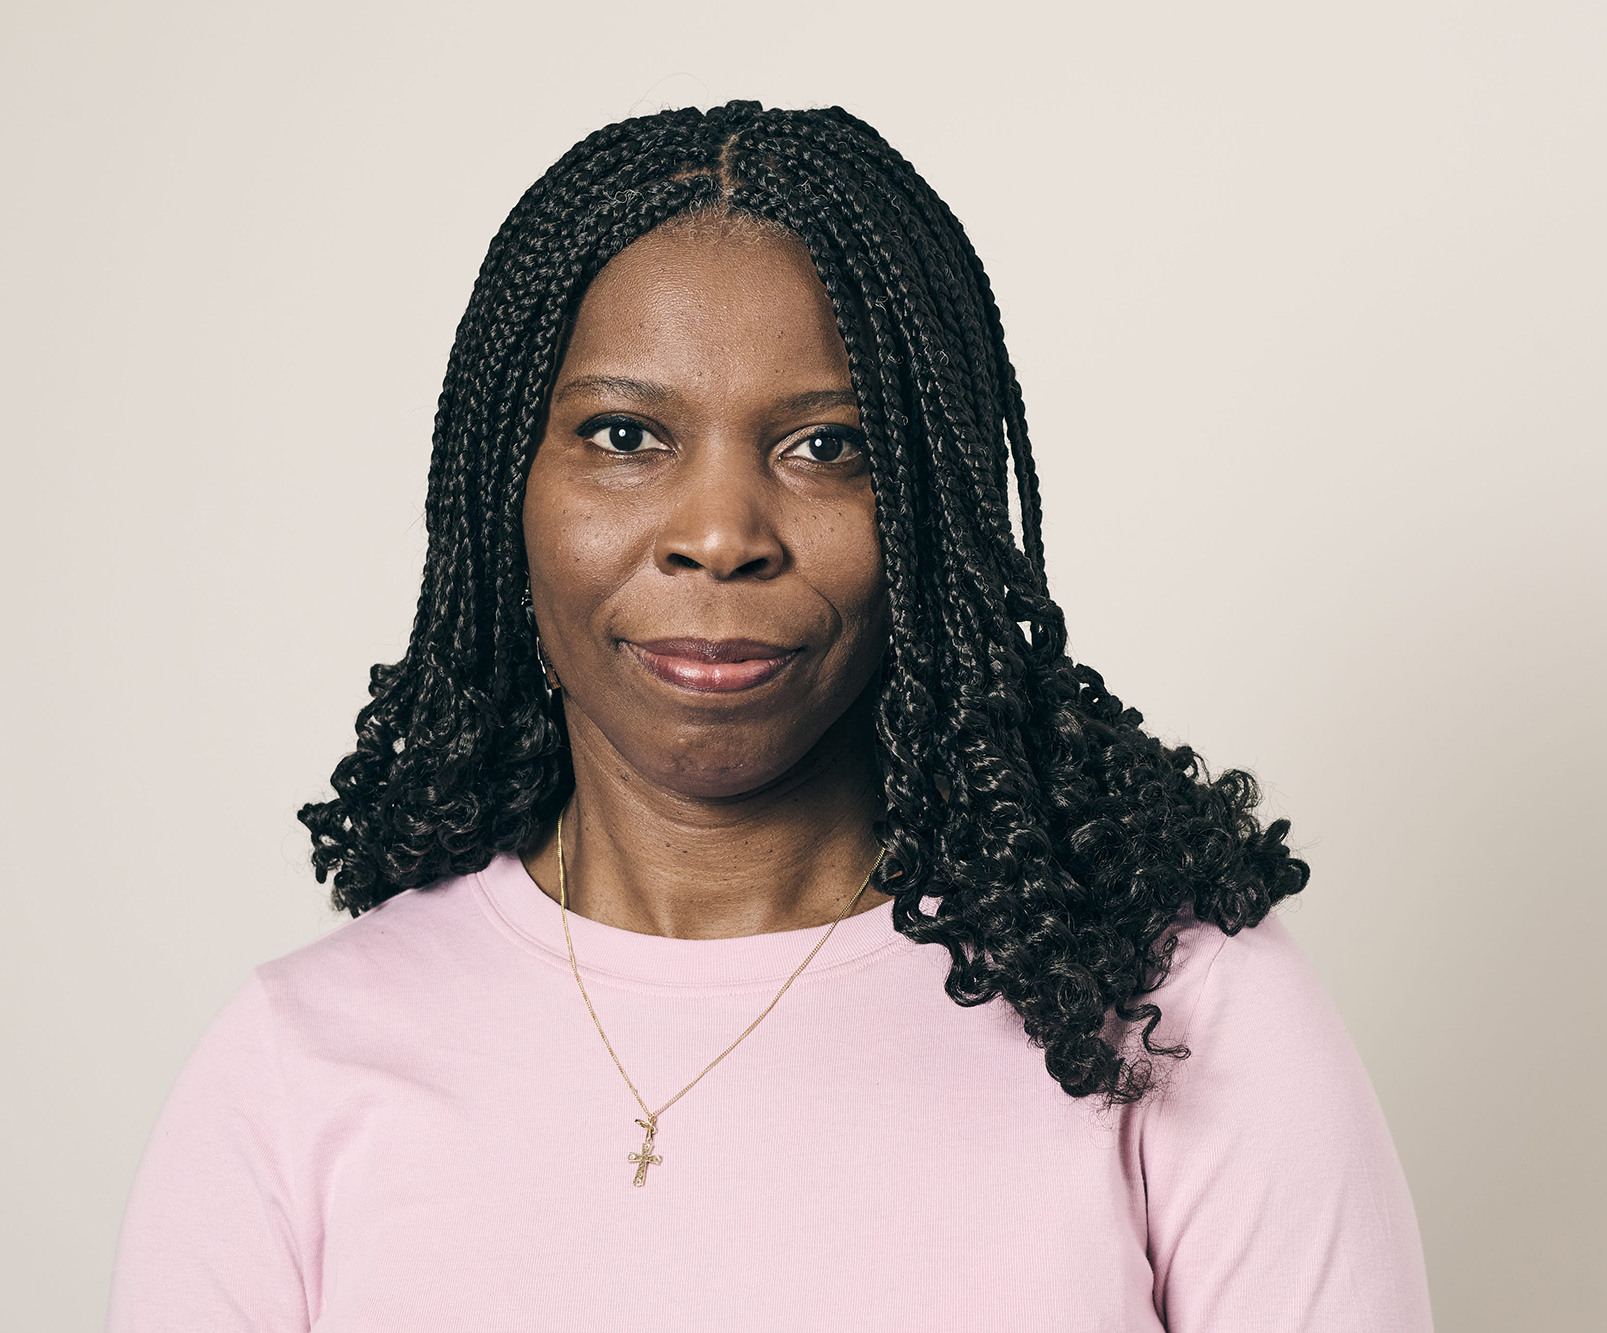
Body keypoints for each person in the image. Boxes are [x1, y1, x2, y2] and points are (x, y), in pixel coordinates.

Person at [106, 102, 1431, 1331]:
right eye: (625, 436)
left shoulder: (1171, 1016)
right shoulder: (299, 1064)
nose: (721, 532)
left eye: (826, 446)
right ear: (501, 491)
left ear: (932, 511)